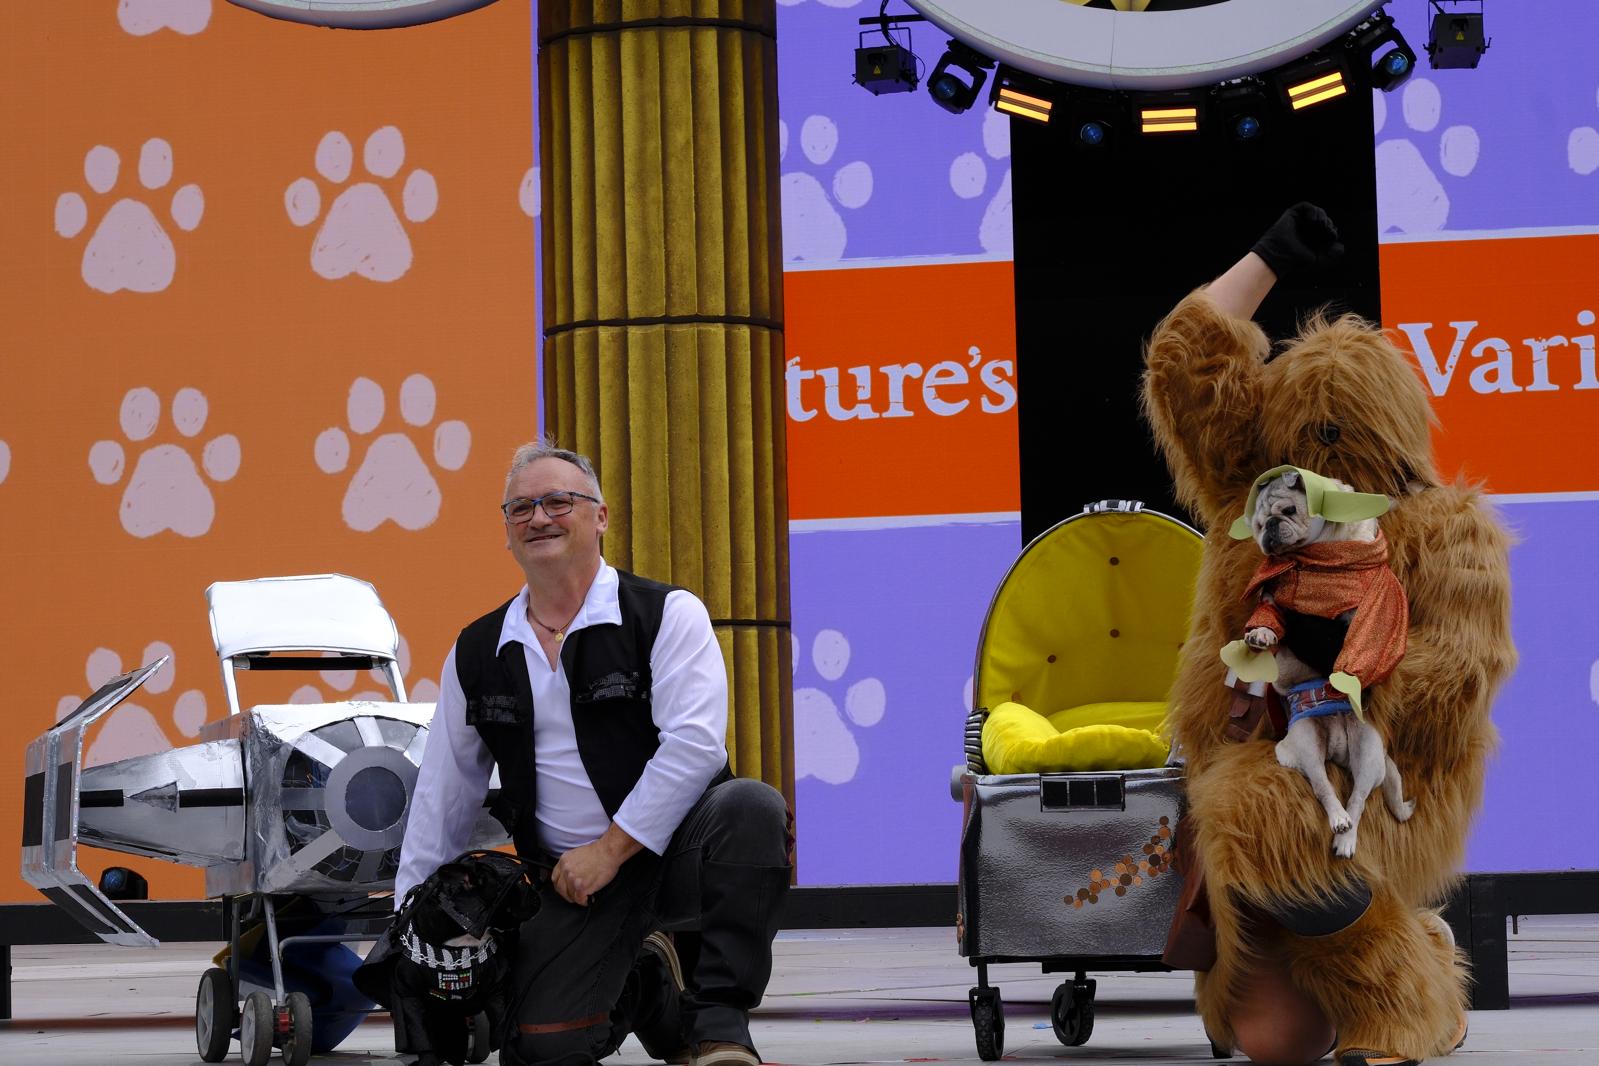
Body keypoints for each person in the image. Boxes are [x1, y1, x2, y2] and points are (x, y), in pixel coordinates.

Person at [1143, 204, 1514, 1066]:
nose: (1318, 454)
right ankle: (1406, 944)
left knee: (1258, 814)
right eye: (1305, 432)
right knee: (1270, 1040)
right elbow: (1185, 370)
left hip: (1375, 783)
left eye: (1336, 434)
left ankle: (1402, 998)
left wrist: (1336, 667)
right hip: (1250, 768)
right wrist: (1266, 258)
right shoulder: (1256, 502)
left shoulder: (1445, 531)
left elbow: (1446, 692)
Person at [396, 440, 793, 1066]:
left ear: (600, 516)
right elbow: (445, 793)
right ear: (506, 532)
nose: (539, 517)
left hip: (671, 856)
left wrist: (610, 850)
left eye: (559, 501)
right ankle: (649, 985)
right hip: (564, 881)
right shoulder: (475, 650)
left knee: (752, 809)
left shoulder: (666, 614)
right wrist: (409, 921)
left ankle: (719, 1024)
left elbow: (694, 747)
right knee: (542, 1051)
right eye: (520, 508)